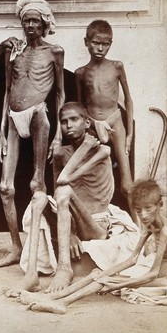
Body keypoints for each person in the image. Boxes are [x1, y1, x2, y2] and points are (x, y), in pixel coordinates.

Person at [18, 179, 167, 314]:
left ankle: (62, 303)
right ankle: (50, 297)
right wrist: (106, 275)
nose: (143, 215)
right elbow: (132, 260)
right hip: (157, 273)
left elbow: (153, 273)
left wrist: (115, 284)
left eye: (148, 209)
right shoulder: (150, 227)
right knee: (98, 273)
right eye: (138, 210)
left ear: (159, 206)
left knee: (106, 280)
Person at [0, 0, 65, 269]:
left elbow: (60, 94)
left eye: (35, 21)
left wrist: (59, 135)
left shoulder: (55, 51)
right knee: (6, 186)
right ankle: (16, 247)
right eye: (26, 21)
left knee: (36, 183)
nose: (30, 25)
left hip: (39, 115)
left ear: (44, 24)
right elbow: (7, 90)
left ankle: (38, 252)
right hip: (14, 117)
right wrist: (1, 132)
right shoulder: (14, 51)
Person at [44, 102, 115, 293]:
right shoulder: (60, 154)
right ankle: (31, 278)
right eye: (64, 121)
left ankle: (64, 268)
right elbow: (57, 193)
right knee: (40, 198)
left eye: (74, 119)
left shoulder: (102, 150)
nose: (69, 125)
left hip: (97, 225)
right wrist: (70, 233)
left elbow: (64, 180)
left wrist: (86, 147)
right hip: (73, 221)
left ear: (87, 122)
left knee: (64, 190)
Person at [75, 20, 133, 199]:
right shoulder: (81, 73)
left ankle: (138, 226)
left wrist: (129, 134)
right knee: (89, 173)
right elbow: (80, 106)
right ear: (86, 42)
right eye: (96, 43)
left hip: (114, 121)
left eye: (105, 44)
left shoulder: (117, 66)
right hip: (91, 124)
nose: (100, 48)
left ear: (110, 44)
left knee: (126, 182)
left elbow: (129, 101)